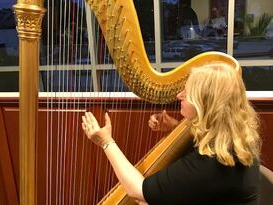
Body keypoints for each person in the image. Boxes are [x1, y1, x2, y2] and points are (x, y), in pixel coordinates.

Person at [82, 62, 261, 205]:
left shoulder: (212, 162)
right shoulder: (233, 137)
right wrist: (174, 126)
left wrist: (106, 141)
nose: (179, 95)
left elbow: (138, 190)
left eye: (187, 92)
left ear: (204, 103)